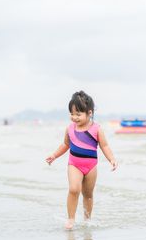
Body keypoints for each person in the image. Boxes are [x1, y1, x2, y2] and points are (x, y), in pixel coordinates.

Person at [46, 91, 117, 230]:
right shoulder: (70, 129)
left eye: (78, 114)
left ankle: (87, 220)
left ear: (89, 113)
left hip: (91, 166)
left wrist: (112, 159)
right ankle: (71, 219)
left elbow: (104, 146)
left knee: (88, 194)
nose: (74, 117)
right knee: (74, 189)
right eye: (72, 114)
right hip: (74, 164)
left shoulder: (96, 129)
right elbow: (65, 145)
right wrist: (54, 155)